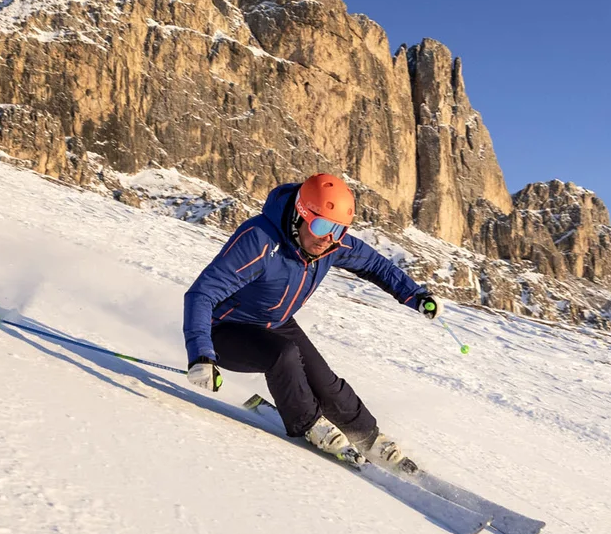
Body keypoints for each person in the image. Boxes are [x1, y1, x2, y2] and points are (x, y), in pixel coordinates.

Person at [182, 173, 441, 467]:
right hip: (223, 329)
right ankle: (310, 424)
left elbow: (374, 264)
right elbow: (202, 294)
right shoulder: (259, 240)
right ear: (300, 215)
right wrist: (201, 354)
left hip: (275, 321)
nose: (328, 238)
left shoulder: (331, 245)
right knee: (283, 356)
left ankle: (368, 437)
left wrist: (416, 296)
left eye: (338, 230)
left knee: (326, 383)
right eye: (321, 226)